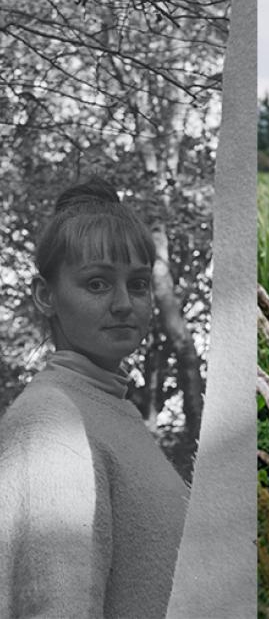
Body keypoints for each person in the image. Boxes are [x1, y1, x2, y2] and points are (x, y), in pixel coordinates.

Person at [0, 181, 188, 617]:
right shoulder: (51, 422)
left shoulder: (107, 408)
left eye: (138, 284)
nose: (124, 303)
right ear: (47, 295)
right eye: (98, 283)